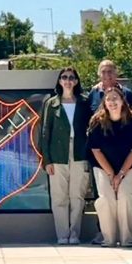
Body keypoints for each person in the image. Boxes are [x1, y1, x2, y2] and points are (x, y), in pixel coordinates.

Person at [40, 67, 91, 245]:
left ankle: (74, 234)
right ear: (60, 81)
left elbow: (92, 127)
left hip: (80, 153)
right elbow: (45, 132)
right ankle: (62, 234)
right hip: (57, 154)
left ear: (76, 81)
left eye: (71, 77)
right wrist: (47, 160)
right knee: (59, 197)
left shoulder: (84, 102)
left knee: (77, 196)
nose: (67, 80)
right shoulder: (51, 103)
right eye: (64, 77)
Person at [87, 60, 132, 245]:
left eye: (110, 72)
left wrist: (120, 173)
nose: (107, 75)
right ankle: (105, 233)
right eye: (103, 72)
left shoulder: (129, 95)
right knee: (104, 197)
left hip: (126, 160)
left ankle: (125, 236)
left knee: (124, 196)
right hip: (100, 158)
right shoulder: (93, 94)